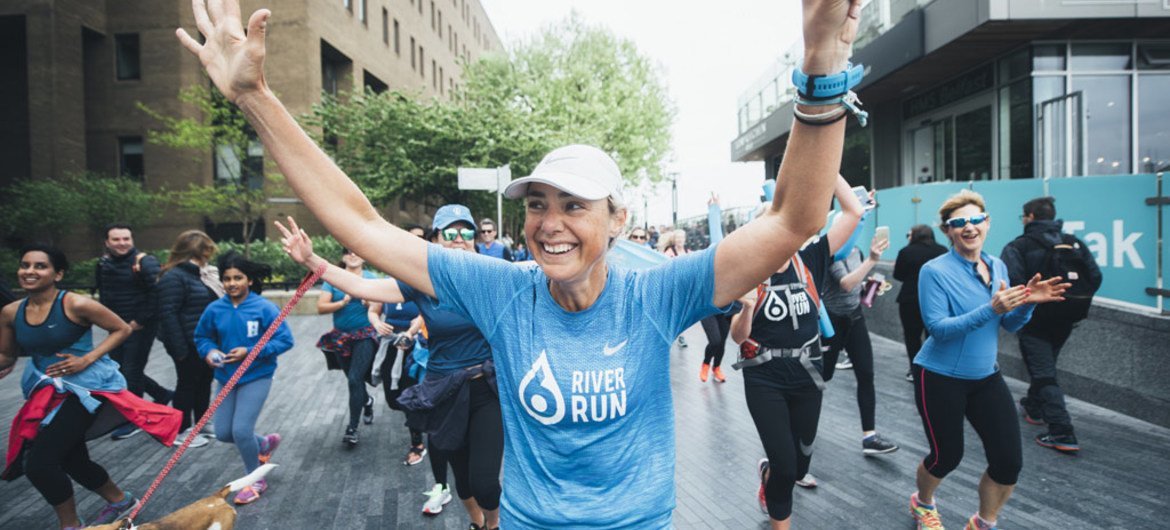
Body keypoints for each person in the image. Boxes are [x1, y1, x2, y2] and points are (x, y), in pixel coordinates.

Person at [180, 0, 864, 525]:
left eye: (575, 205)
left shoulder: (656, 295)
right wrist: (254, 99)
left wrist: (820, 65)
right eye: (537, 204)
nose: (550, 223)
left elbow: (792, 220)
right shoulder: (499, 289)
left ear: (617, 219)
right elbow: (361, 222)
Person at [278, 204, 501, 526]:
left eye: (467, 232)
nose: (460, 239)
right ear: (436, 240)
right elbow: (361, 287)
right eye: (450, 233)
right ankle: (476, 522)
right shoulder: (421, 282)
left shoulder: (491, 276)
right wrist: (312, 261)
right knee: (463, 479)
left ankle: (492, 524)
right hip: (443, 391)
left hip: (485, 390)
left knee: (486, 483)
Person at [908, 190, 1068, 530]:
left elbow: (1008, 323)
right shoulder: (933, 272)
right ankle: (923, 503)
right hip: (938, 376)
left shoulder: (997, 266)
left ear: (987, 223)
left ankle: (983, 522)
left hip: (985, 377)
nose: (969, 227)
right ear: (948, 230)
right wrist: (990, 308)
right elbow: (938, 329)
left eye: (975, 220)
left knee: (1008, 462)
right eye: (959, 223)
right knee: (945, 457)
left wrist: (1027, 303)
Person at [1, 244, 180, 530]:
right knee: (72, 459)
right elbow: (7, 356)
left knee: (40, 463)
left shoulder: (75, 304)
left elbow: (121, 328)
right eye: (25, 265)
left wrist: (87, 359)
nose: (29, 271)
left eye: (39, 266)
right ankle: (121, 501)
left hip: (85, 390)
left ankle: (70, 525)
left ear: (57, 274)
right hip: (44, 392)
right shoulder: (11, 312)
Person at [729, 175, 864, 526]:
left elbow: (853, 211)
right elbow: (737, 339)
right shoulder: (748, 271)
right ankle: (777, 493)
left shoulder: (812, 259)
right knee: (787, 469)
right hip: (764, 376)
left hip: (808, 374)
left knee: (801, 461)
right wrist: (745, 308)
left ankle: (771, 474)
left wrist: (827, 164)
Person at [1000, 196, 1101, 454]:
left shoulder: (1019, 246)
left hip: (1035, 321)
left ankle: (1061, 430)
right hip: (1068, 318)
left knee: (1044, 373)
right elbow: (1095, 276)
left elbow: (1014, 283)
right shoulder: (1073, 242)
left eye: (1023, 215)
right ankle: (1034, 407)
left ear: (1030, 216)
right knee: (1044, 364)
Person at [193, 252, 292, 505]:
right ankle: (265, 443)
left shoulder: (264, 308)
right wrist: (210, 352)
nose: (232, 283)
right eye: (227, 278)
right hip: (226, 377)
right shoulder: (214, 309)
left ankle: (255, 479)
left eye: (238, 277)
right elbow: (202, 337)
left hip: (256, 376)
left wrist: (252, 351)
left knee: (241, 430)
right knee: (225, 433)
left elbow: (285, 340)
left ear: (249, 280)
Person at [820, 232, 899, 455]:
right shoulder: (833, 252)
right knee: (823, 376)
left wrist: (868, 286)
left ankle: (870, 436)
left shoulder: (857, 251)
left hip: (855, 318)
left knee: (866, 373)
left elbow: (854, 283)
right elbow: (845, 283)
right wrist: (872, 260)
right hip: (832, 322)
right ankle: (798, 423)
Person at [95, 223, 174, 440]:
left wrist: (140, 320)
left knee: (131, 371)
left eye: (126, 239)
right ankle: (161, 393)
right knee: (119, 369)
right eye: (116, 239)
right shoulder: (104, 263)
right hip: (115, 327)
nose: (122, 243)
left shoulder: (145, 262)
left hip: (138, 327)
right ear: (107, 242)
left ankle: (133, 419)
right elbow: (104, 293)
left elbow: (158, 292)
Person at [157, 230, 221, 448]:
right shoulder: (174, 277)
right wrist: (180, 350)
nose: (207, 257)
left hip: (202, 343)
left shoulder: (196, 275)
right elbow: (168, 314)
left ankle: (201, 422)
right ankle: (181, 430)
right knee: (187, 386)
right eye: (205, 252)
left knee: (203, 383)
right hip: (186, 343)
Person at [315, 247, 380, 446]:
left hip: (365, 335)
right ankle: (367, 401)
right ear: (343, 256)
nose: (353, 254)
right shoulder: (334, 278)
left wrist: (368, 302)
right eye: (348, 252)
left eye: (356, 251)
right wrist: (342, 302)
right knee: (354, 381)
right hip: (340, 338)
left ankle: (352, 428)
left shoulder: (371, 278)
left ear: (364, 256)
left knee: (354, 379)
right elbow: (320, 307)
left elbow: (380, 307)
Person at [893, 224, 946, 382]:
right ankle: (934, 369)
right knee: (934, 336)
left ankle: (916, 370)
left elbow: (898, 275)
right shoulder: (942, 251)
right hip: (936, 300)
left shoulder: (906, 251)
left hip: (910, 300)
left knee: (912, 337)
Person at [698, 195, 741, 383]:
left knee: (722, 342)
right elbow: (717, 236)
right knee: (714, 340)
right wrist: (714, 210)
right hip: (707, 307)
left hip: (727, 307)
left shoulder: (736, 263)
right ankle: (706, 363)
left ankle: (717, 367)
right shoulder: (707, 260)